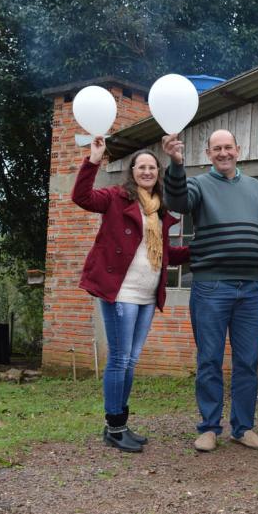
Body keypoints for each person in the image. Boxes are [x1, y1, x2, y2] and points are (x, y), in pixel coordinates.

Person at [162, 130, 258, 453]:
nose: (223, 153)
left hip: (250, 289)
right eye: (216, 148)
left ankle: (243, 428)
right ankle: (208, 428)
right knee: (210, 359)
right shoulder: (199, 185)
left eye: (227, 147)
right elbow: (176, 201)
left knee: (247, 361)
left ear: (238, 150)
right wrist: (176, 164)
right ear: (208, 153)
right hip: (211, 286)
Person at [72, 136, 190, 453]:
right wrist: (93, 160)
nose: (147, 171)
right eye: (142, 167)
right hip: (119, 291)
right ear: (132, 171)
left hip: (147, 296)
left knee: (131, 360)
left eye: (153, 167)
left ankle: (120, 424)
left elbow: (165, 255)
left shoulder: (158, 211)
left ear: (157, 173)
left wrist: (199, 249)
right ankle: (114, 427)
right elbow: (81, 196)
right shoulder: (115, 198)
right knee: (120, 359)